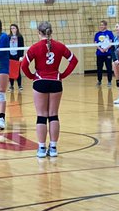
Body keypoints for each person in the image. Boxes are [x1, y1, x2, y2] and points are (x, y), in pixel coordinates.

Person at [21, 21, 78, 158]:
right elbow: (74, 61)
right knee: (53, 115)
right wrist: (62, 75)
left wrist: (32, 77)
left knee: (41, 115)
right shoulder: (59, 46)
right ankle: (53, 148)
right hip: (55, 82)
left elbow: (23, 66)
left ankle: (41, 148)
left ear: (38, 32)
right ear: (51, 32)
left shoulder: (34, 48)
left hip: (40, 82)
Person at [93, 20, 115, 87]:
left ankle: (109, 81)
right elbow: (95, 43)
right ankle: (99, 81)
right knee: (99, 68)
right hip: (99, 54)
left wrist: (106, 49)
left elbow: (112, 42)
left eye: (102, 25)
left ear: (105, 26)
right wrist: (100, 49)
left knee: (109, 67)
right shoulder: (97, 34)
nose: (101, 26)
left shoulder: (109, 33)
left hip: (108, 53)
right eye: (100, 25)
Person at [8, 23, 25, 91]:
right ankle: (11, 86)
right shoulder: (8, 36)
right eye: (11, 28)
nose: (12, 29)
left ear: (17, 29)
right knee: (11, 71)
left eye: (14, 28)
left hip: (17, 56)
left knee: (17, 71)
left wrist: (21, 56)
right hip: (10, 56)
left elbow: (22, 46)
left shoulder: (20, 37)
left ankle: (19, 85)